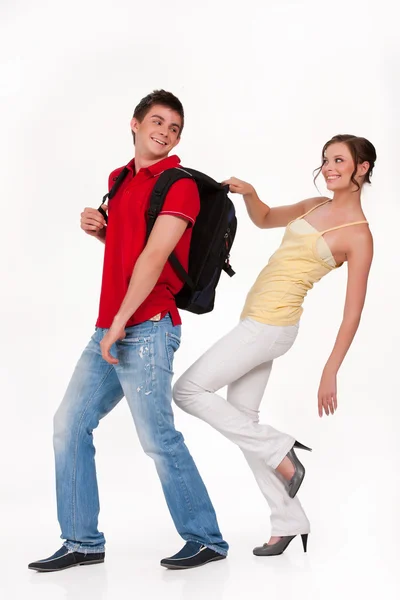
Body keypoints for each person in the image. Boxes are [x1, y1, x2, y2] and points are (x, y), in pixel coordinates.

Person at [28, 90, 228, 573]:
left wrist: (119, 324)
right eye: (157, 122)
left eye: (174, 128)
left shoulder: (180, 185)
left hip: (148, 327)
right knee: (68, 426)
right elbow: (130, 250)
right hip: (111, 327)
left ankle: (206, 539)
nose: (165, 132)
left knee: (158, 437)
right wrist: (102, 230)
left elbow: (156, 257)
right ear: (135, 124)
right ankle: (82, 541)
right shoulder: (119, 179)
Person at [173, 134, 376, 556]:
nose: (329, 168)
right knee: (243, 418)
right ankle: (288, 520)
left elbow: (352, 313)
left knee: (188, 391)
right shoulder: (313, 205)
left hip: (271, 326)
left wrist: (329, 370)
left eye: (339, 160)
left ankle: (279, 448)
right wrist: (250, 194)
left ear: (363, 168)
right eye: (324, 160)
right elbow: (264, 218)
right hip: (256, 320)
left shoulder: (358, 236)